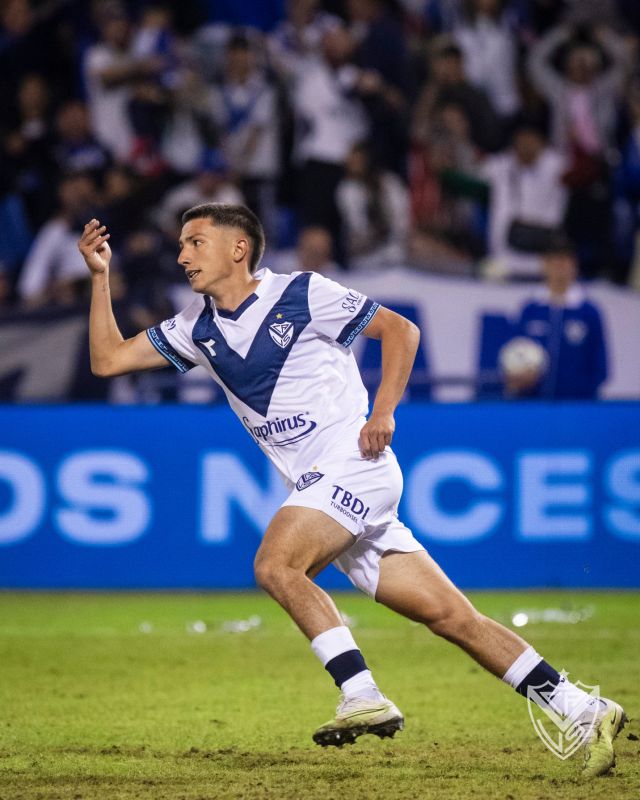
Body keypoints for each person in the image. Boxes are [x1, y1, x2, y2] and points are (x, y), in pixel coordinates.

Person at [77, 203, 624, 778]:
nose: (182, 255)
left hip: (354, 464)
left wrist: (383, 411)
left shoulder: (301, 292)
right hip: (326, 488)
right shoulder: (196, 326)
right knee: (452, 618)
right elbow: (107, 360)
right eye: (181, 244)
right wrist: (99, 276)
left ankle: (362, 693)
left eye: (195, 242)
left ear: (238, 248)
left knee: (276, 566)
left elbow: (400, 330)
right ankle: (582, 708)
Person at [506, 233, 608, 399]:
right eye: (554, 261)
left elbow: (600, 366)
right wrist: (518, 378)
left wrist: (582, 398)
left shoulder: (588, 312)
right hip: (532, 405)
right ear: (544, 264)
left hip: (576, 407)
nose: (560, 267)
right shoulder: (530, 309)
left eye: (565, 261)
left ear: (575, 265)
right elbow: (515, 353)